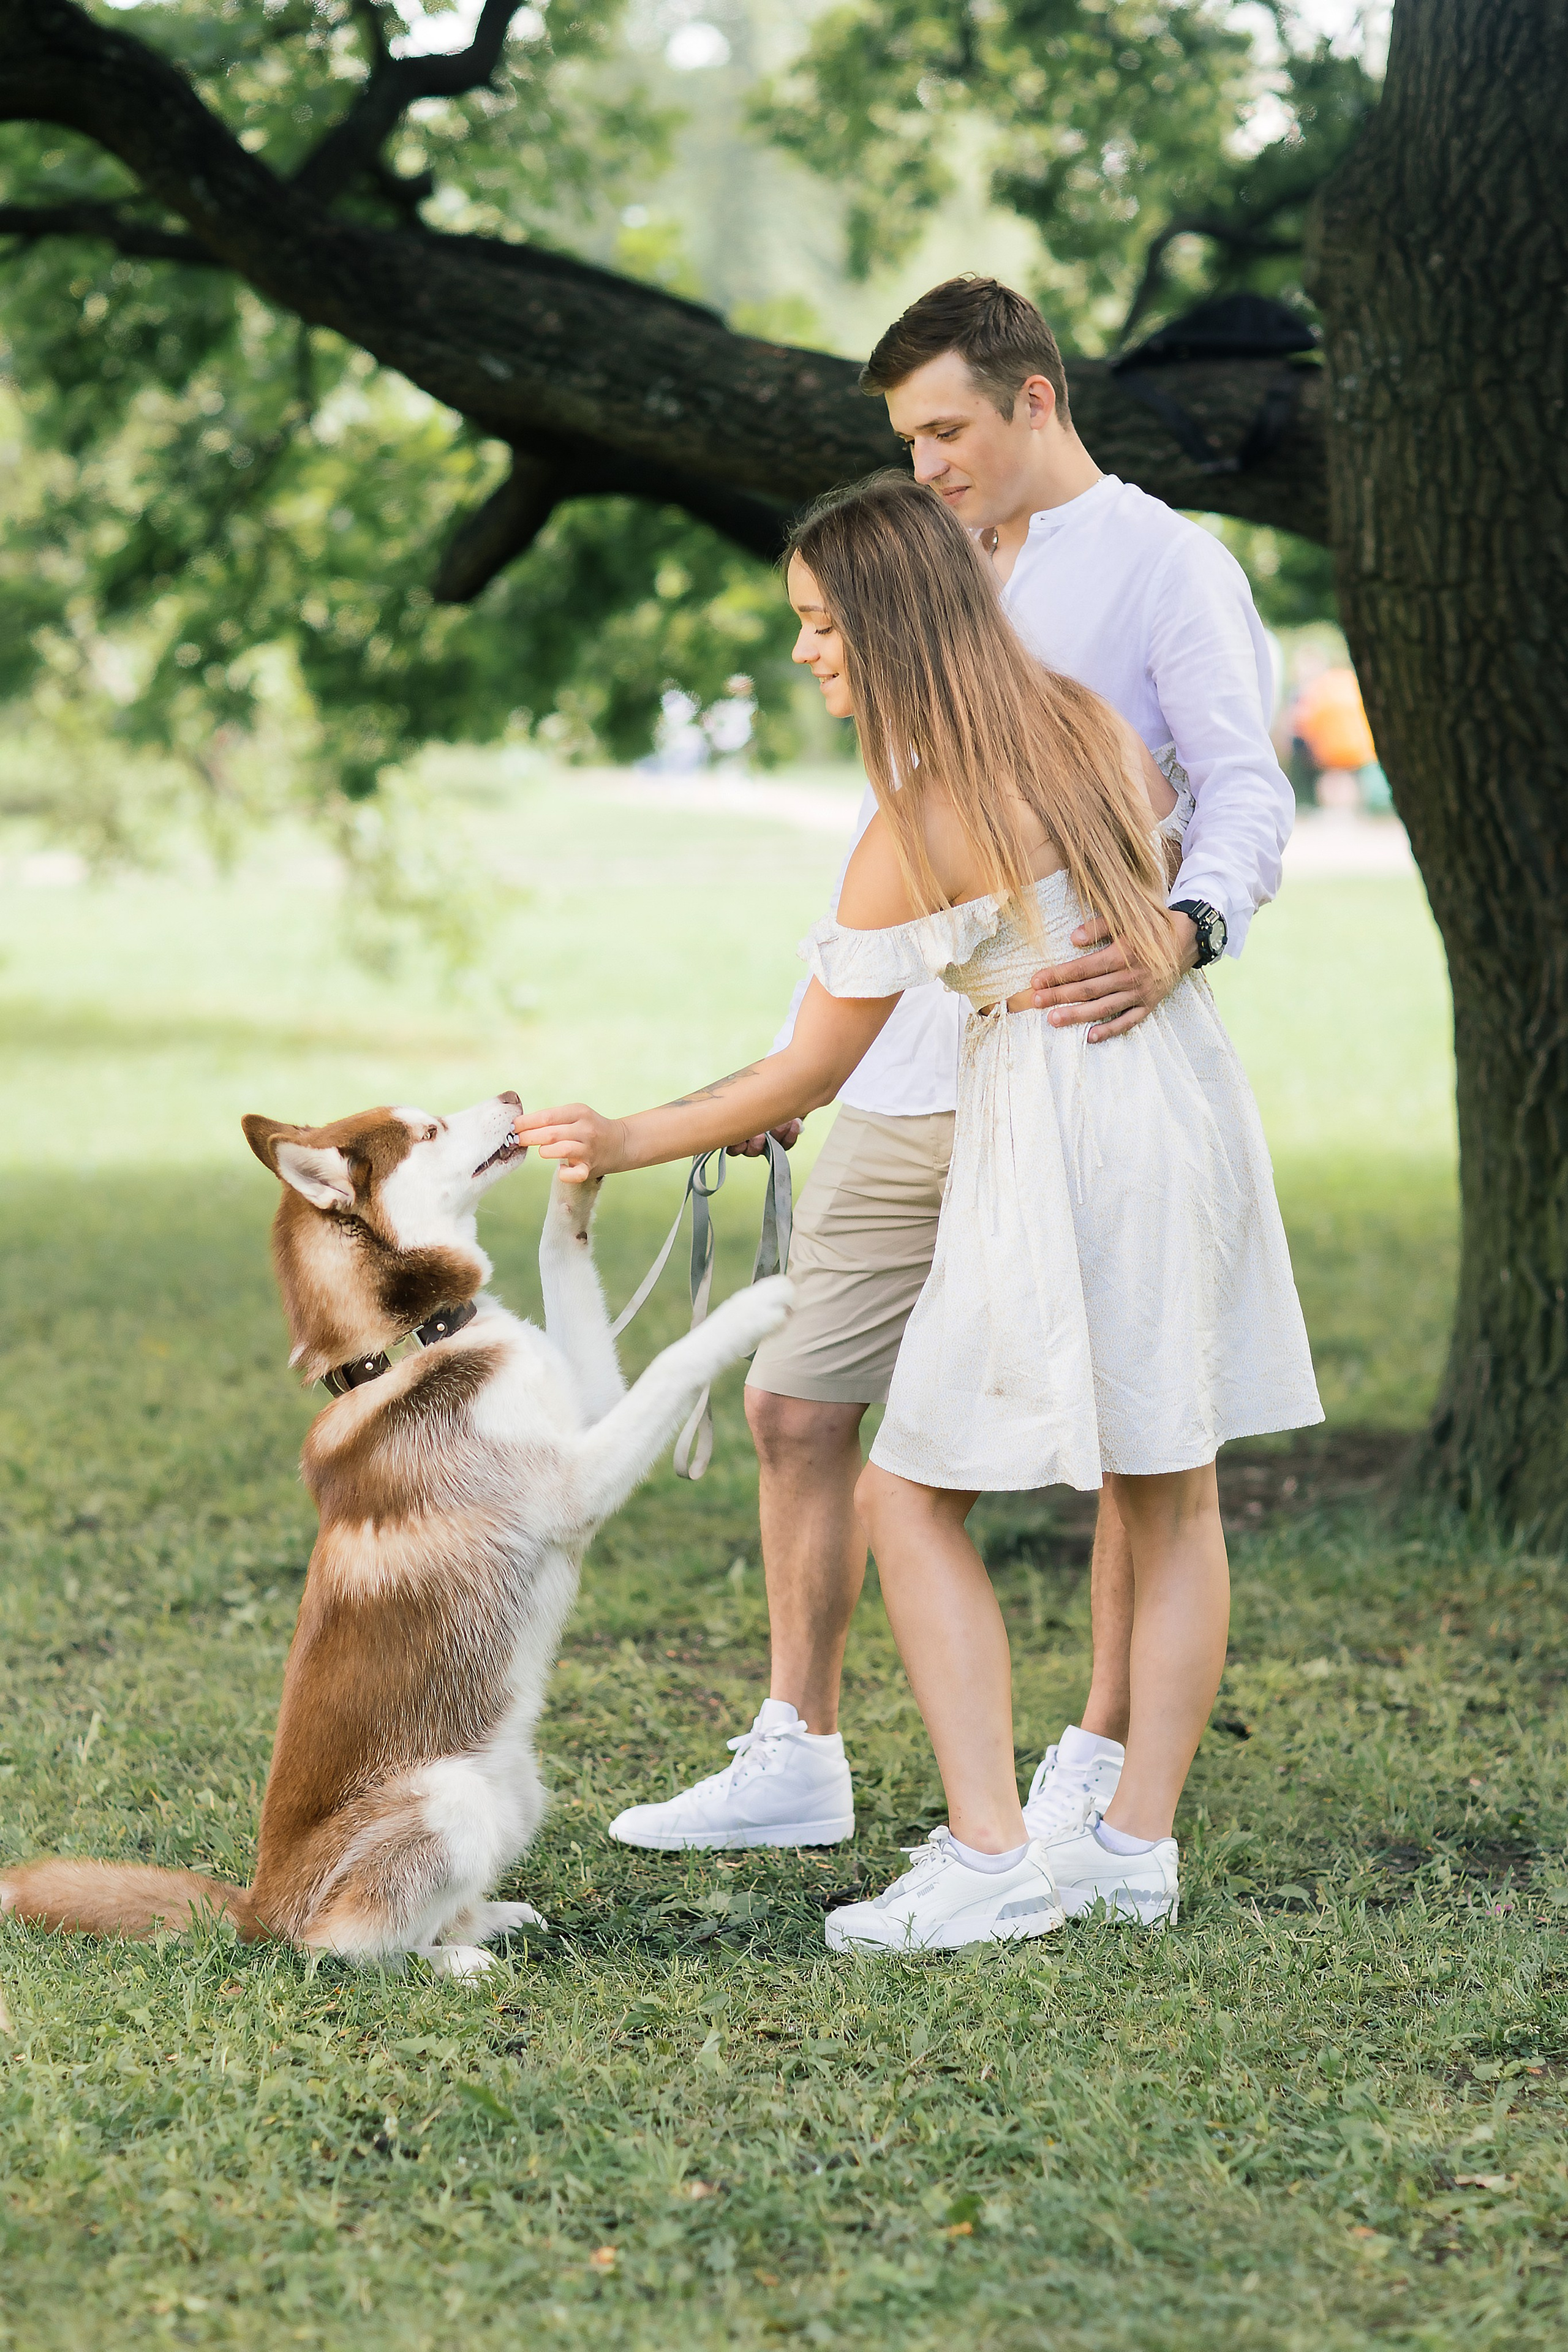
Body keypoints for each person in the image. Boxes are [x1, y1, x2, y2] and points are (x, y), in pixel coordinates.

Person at [516, 476, 1321, 1947]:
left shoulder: (918, 819)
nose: (810, 654)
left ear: (885, 625)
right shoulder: (1083, 723)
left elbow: (809, 1067)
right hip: (1178, 1105)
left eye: (822, 627)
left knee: (902, 1494)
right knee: (1173, 1487)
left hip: (1053, 1128)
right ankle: (1133, 1848)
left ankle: (989, 1855)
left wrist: (623, 1136)